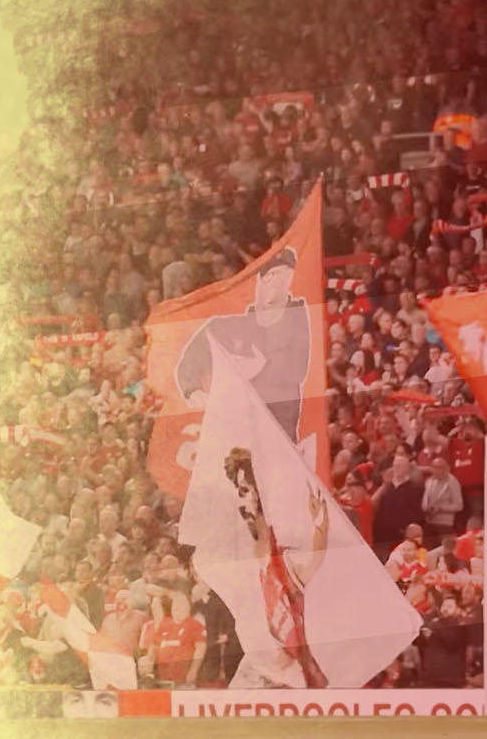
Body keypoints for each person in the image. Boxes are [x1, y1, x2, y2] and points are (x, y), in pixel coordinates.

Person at [175, 249, 311, 442]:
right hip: (233, 428)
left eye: (280, 274)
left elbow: (297, 370)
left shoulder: (299, 317)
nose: (273, 280)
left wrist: (259, 367)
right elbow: (192, 358)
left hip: (277, 433)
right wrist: (193, 391)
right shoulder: (231, 324)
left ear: (289, 278)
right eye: (267, 275)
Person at [224, 446, 330, 688]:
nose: (245, 500)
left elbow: (313, 561)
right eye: (240, 491)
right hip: (253, 670)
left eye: (247, 490)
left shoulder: (283, 560)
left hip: (287, 677)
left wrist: (321, 525)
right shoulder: (239, 555)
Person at [138, 592, 207, 688]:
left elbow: (200, 649)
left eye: (180, 604)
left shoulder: (195, 625)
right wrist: (149, 661)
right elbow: (154, 646)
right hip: (163, 677)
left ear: (187, 607)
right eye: (175, 604)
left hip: (183, 678)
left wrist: (193, 671)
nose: (176, 607)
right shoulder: (164, 624)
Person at [372, 454, 426, 561]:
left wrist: (406, 529)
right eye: (395, 465)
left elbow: (417, 513)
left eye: (400, 466)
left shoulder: (415, 488)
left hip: (400, 535)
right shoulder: (387, 486)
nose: (396, 468)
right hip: (382, 534)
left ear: (407, 468)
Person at [421, 457, 464, 547]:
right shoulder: (429, 481)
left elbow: (459, 505)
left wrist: (441, 508)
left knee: (447, 550)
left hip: (445, 524)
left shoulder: (453, 482)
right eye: (434, 467)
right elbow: (425, 500)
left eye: (440, 467)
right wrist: (426, 508)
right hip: (429, 522)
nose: (437, 470)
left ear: (446, 468)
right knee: (427, 550)